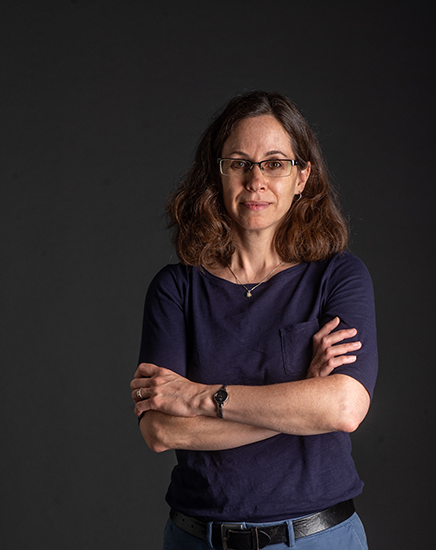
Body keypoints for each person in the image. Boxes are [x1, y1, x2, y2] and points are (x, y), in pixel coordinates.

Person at [130, 91, 378, 549]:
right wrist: (302, 399)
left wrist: (201, 397)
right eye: (239, 162)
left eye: (275, 163)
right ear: (218, 173)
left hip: (316, 539)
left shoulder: (339, 276)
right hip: (197, 539)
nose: (256, 180)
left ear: (302, 176)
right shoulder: (176, 289)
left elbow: (343, 408)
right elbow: (161, 430)